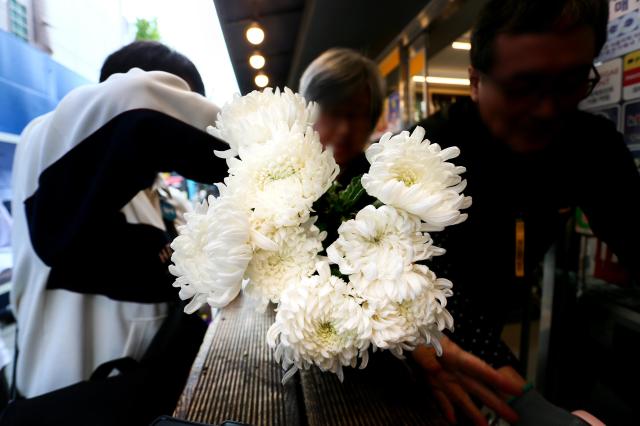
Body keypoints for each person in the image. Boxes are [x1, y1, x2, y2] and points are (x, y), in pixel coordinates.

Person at [410, 0, 640, 424]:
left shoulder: (590, 146)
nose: (547, 109)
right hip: (406, 358)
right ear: (475, 81)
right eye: (523, 86)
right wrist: (529, 403)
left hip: (489, 344)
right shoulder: (425, 154)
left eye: (571, 81)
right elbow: (408, 283)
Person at [6, 41, 229, 424]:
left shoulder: (165, 197)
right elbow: (135, 100)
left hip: (140, 402)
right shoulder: (43, 153)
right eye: (175, 100)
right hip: (67, 407)